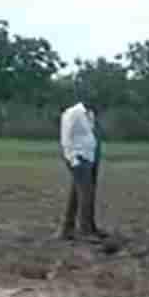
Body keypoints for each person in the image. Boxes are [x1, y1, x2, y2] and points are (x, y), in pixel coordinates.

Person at [59, 97, 108, 241]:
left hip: (89, 158)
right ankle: (85, 231)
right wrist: (73, 159)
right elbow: (66, 138)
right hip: (78, 159)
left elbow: (88, 136)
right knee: (86, 194)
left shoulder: (89, 115)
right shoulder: (72, 114)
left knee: (77, 196)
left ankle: (69, 229)